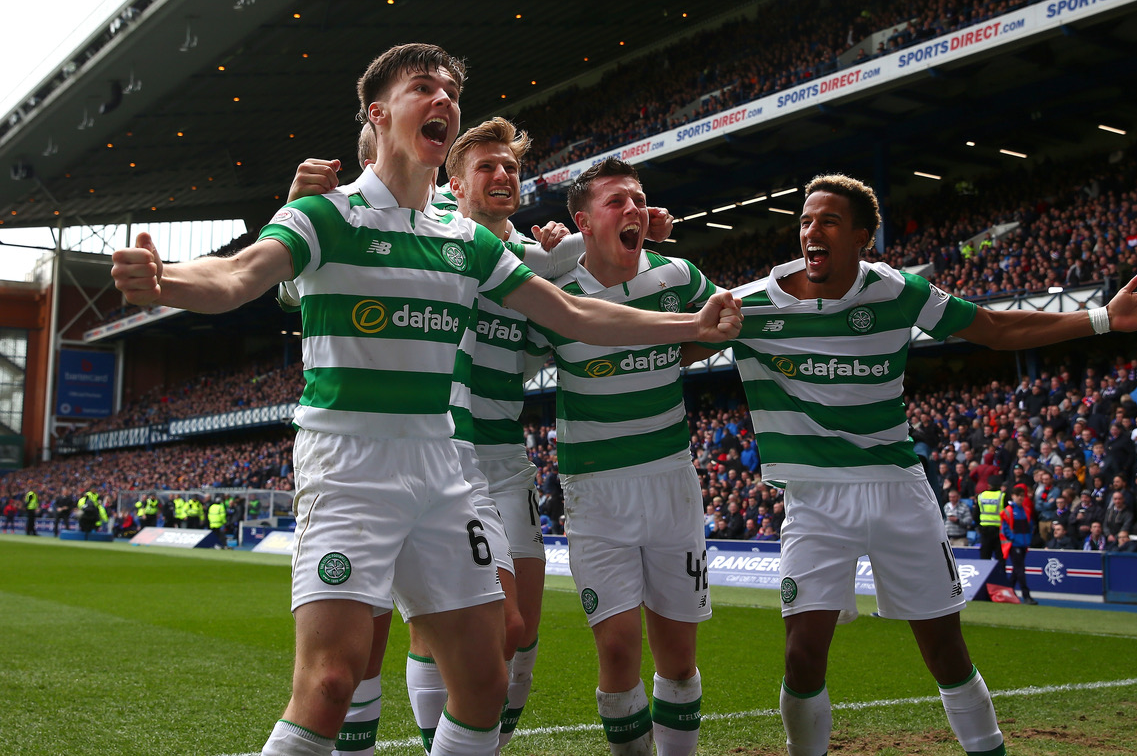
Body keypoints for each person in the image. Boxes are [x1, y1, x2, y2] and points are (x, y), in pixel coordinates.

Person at [111, 42, 741, 756]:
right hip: (350, 466)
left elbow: (573, 313)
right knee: (330, 681)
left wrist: (690, 325)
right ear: (377, 114)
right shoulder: (326, 216)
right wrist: (166, 281)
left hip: (444, 468)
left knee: (486, 678)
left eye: (451, 92)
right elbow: (237, 275)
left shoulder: (465, 240)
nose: (443, 99)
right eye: (422, 87)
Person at [686, 172, 1137, 756]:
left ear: (863, 237)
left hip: (899, 492)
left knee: (946, 651)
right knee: (802, 655)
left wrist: (1101, 319)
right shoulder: (750, 304)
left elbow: (995, 329)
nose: (811, 231)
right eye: (805, 221)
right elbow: (680, 349)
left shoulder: (898, 291)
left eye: (828, 221)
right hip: (814, 498)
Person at [286, 118, 676, 753]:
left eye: (511, 168)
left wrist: (638, 230)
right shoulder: (430, 225)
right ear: (455, 184)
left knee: (516, 632)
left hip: (504, 455)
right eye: (486, 168)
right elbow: (306, 278)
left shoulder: (530, 256)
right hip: (435, 448)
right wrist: (303, 210)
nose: (502, 177)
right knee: (405, 635)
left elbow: (586, 279)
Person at [526, 156, 721, 756]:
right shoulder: (554, 293)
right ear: (583, 222)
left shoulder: (677, 277)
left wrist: (680, 351)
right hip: (595, 490)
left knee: (678, 659)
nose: (633, 208)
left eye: (638, 198)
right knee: (615, 650)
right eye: (616, 201)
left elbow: (719, 326)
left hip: (670, 480)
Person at [1000, 487, 1037, 604]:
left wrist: (1029, 538)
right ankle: (1026, 595)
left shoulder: (1026, 510)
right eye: (1018, 495)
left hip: (1024, 543)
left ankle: (1009, 590)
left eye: (1022, 495)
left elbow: (1030, 525)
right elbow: (1005, 528)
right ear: (1013, 496)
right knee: (1020, 569)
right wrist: (1013, 538)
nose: (1020, 498)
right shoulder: (1008, 511)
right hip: (1014, 544)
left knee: (1017, 570)